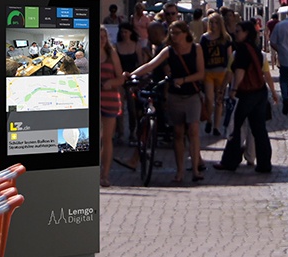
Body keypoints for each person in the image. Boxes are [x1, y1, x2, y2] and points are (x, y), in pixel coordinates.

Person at [131, 20, 205, 184]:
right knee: (178, 134)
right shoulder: (168, 51)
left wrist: (184, 80)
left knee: (193, 131)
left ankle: (195, 169)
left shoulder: (196, 49)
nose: (174, 36)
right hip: (175, 96)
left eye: (177, 33)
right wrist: (131, 75)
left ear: (186, 33)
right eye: (171, 33)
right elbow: (150, 65)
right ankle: (180, 171)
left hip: (192, 95)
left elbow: (201, 73)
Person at [213, 20, 278, 173]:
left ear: (246, 33)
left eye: (238, 31)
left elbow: (238, 71)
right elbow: (266, 74)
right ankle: (264, 164)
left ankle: (230, 161)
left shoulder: (241, 50)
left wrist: (233, 90)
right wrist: (273, 92)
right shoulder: (257, 50)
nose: (235, 34)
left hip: (245, 94)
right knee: (259, 129)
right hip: (260, 92)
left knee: (234, 127)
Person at [97, 27, 125, 187]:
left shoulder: (111, 54)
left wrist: (110, 83)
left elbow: (120, 78)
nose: (101, 40)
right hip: (92, 101)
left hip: (109, 99)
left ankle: (105, 175)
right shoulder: (85, 55)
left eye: (104, 37)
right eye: (99, 37)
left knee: (107, 138)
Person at [200, 12, 232, 135]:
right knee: (209, 99)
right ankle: (209, 120)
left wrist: (230, 74)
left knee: (219, 100)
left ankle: (216, 127)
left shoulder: (226, 38)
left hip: (221, 72)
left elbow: (230, 57)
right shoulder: (204, 38)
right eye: (211, 22)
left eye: (216, 22)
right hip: (208, 72)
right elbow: (201, 56)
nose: (213, 25)